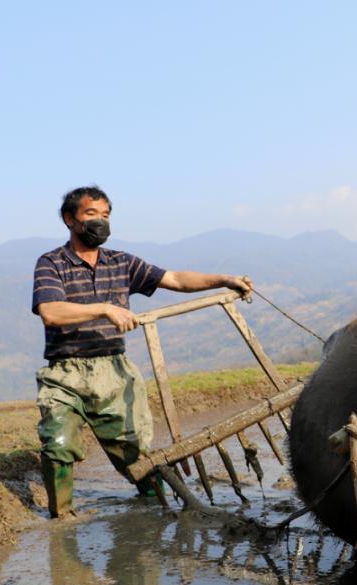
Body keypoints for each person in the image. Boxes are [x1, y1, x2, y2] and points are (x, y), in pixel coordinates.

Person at [31, 186, 253, 518]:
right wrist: (104, 308)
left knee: (135, 456)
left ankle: (156, 511)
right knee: (57, 447)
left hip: (114, 372)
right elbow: (51, 311)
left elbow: (175, 279)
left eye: (106, 216)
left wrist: (223, 279)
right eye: (92, 215)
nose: (100, 222)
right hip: (65, 372)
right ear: (70, 219)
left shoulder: (122, 263)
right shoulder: (52, 263)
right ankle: (61, 521)